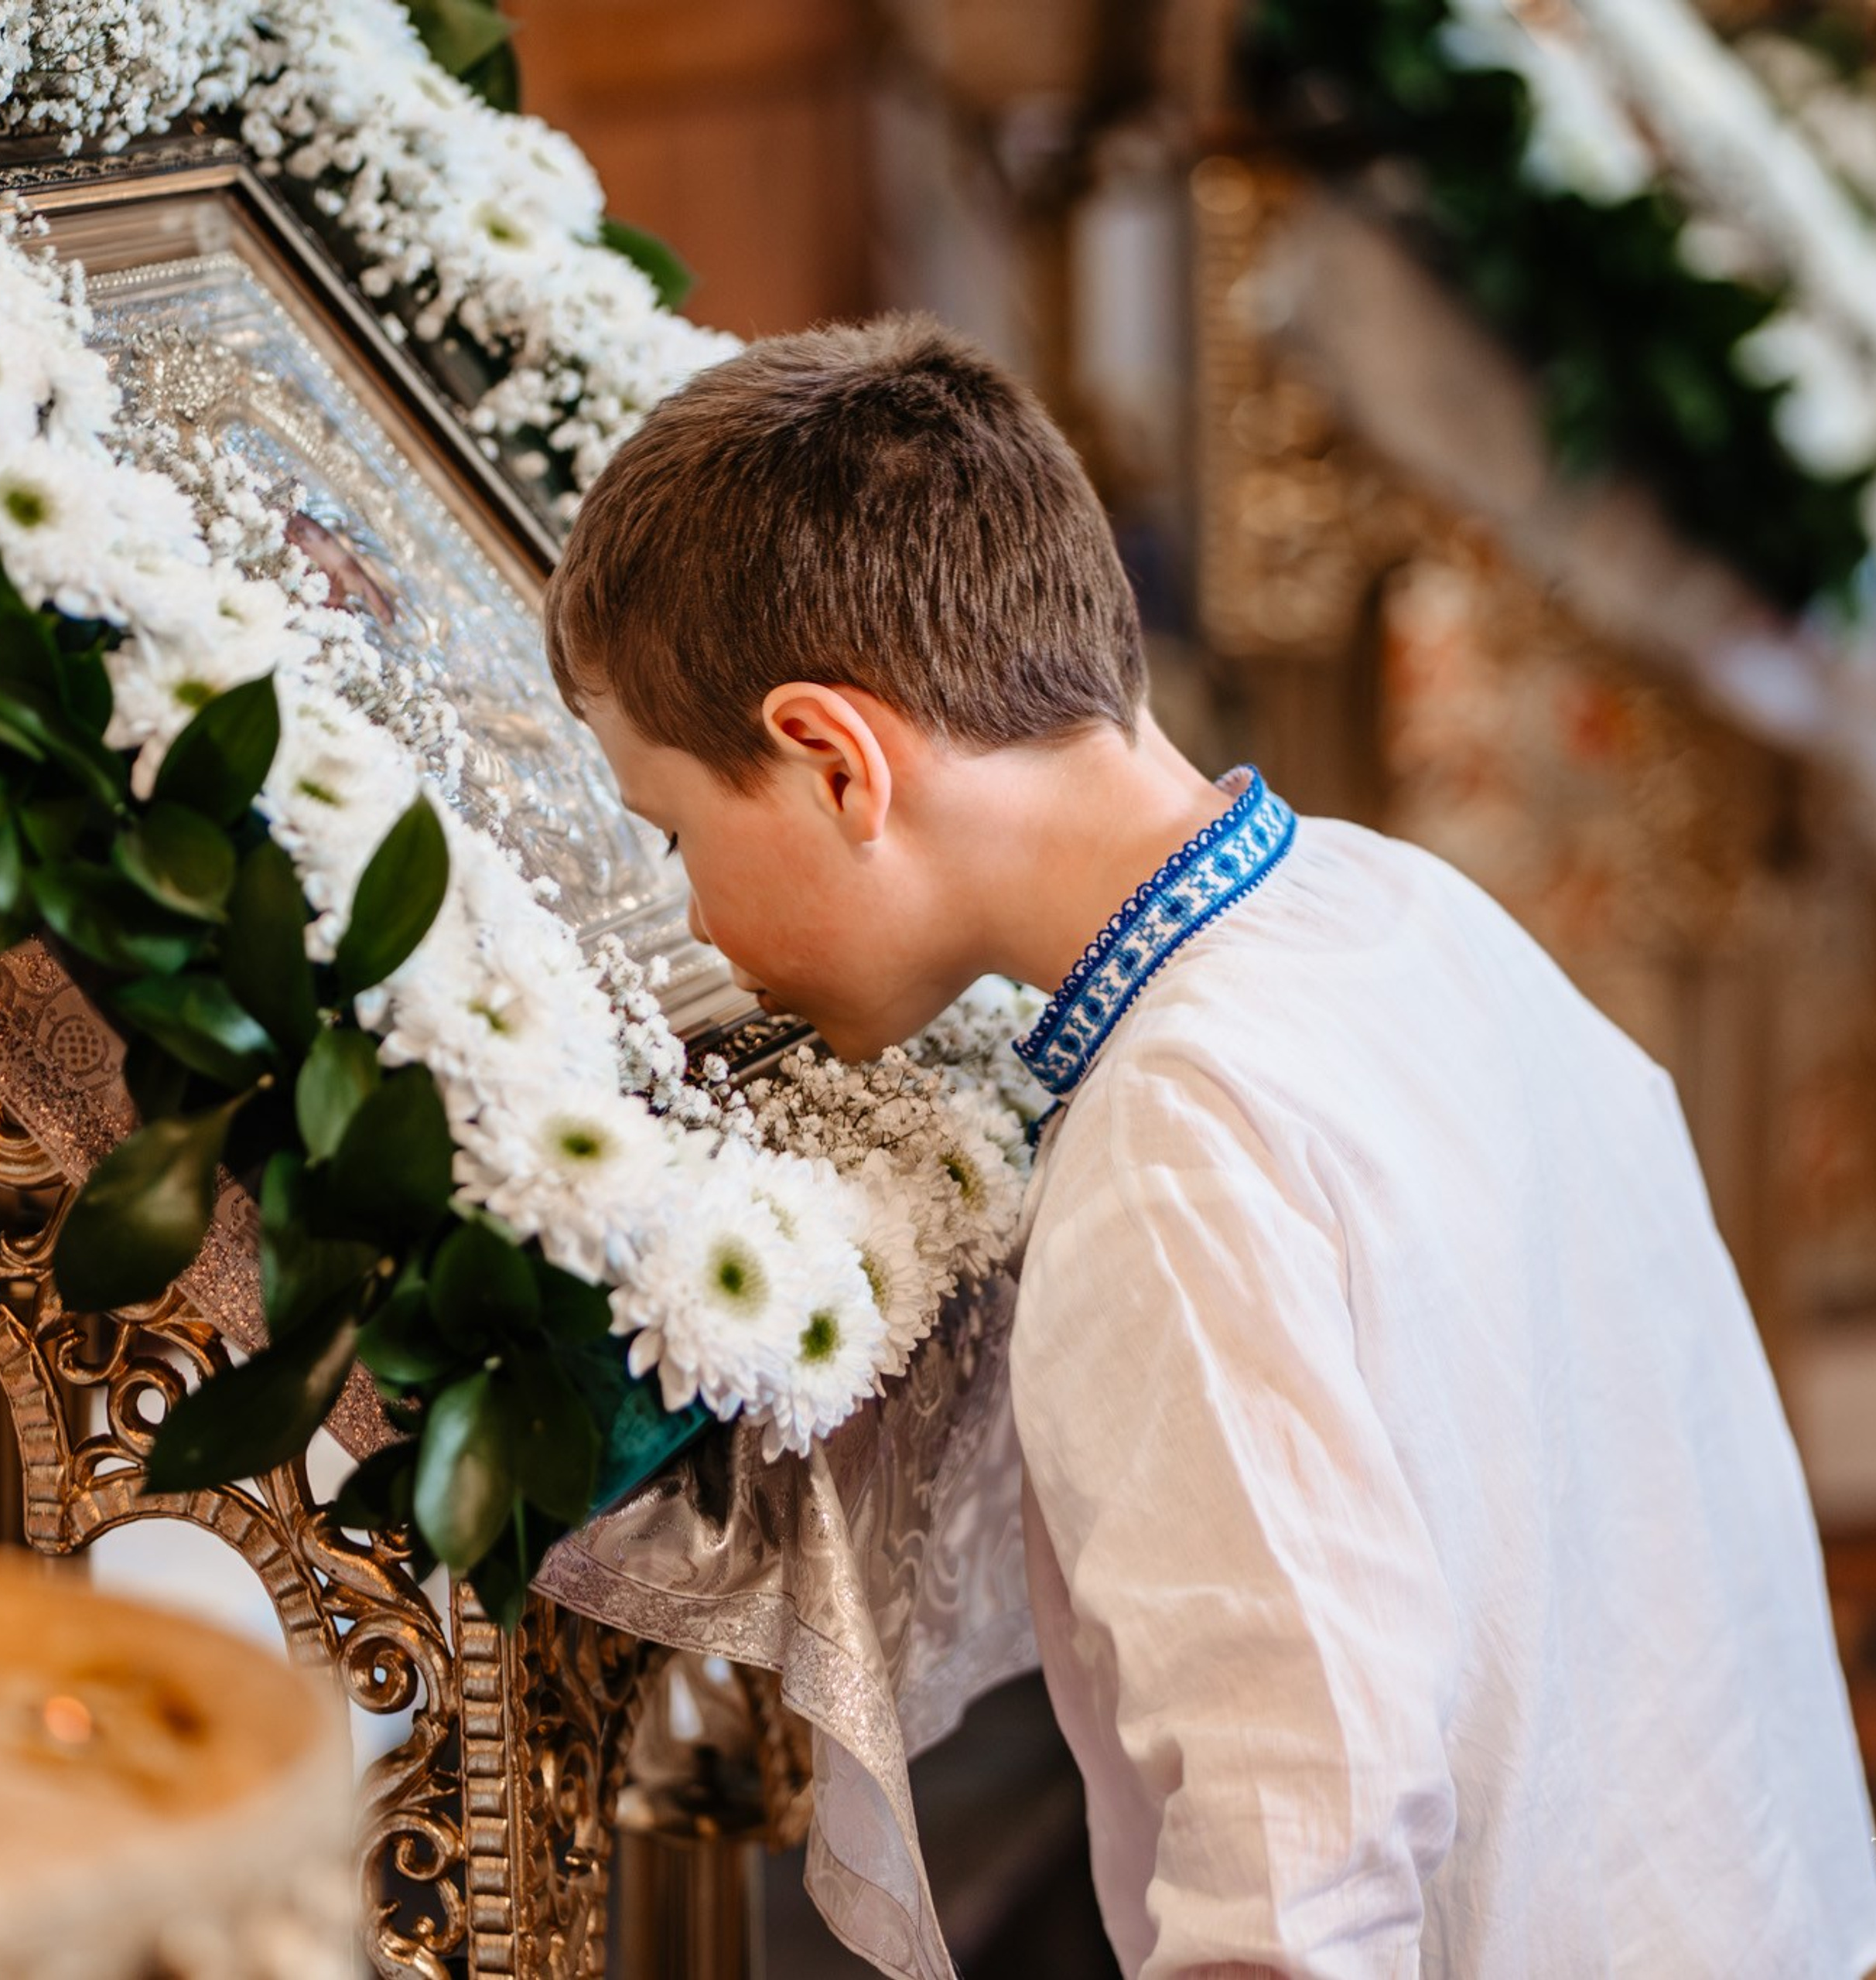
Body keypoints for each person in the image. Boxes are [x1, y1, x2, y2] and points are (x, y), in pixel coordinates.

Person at [543, 313, 1876, 1978]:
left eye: (676, 831)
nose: (693, 915)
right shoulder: (1399, 902)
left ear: (831, 758)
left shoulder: (1173, 1138)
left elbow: (1292, 1867)